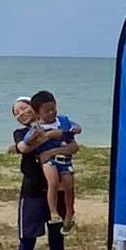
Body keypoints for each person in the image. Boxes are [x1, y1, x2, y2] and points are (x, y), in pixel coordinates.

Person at [11, 97, 76, 250]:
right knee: (27, 238)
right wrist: (46, 137)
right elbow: (24, 147)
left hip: (56, 191)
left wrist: (53, 146)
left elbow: (74, 146)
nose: (21, 113)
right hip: (32, 192)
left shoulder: (56, 124)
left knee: (56, 238)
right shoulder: (20, 133)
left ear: (35, 108)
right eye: (17, 112)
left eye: (24, 107)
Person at [24, 91, 82, 234]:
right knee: (53, 183)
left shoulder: (63, 120)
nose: (51, 113)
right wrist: (35, 136)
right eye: (47, 111)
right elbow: (27, 141)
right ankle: (53, 212)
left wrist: (75, 129)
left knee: (69, 186)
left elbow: (76, 130)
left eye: (53, 109)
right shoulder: (37, 127)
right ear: (37, 114)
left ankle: (69, 212)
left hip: (65, 159)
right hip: (49, 161)